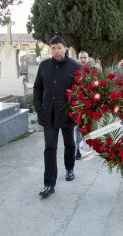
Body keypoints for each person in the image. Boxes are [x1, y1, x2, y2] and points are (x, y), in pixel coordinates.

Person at [33, 35, 81, 199]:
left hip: (67, 115)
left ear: (65, 48)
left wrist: (75, 111)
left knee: (69, 144)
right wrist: (39, 108)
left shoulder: (75, 67)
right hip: (48, 115)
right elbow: (37, 88)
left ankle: (69, 168)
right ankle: (49, 183)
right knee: (50, 148)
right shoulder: (44, 65)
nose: (56, 51)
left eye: (59, 47)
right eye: (53, 48)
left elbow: (81, 93)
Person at [74, 51, 91, 160]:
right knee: (77, 127)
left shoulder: (93, 71)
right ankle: (77, 149)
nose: (83, 60)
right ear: (78, 59)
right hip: (77, 103)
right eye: (81, 58)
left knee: (89, 126)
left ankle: (91, 147)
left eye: (85, 57)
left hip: (90, 103)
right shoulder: (74, 70)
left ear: (88, 59)